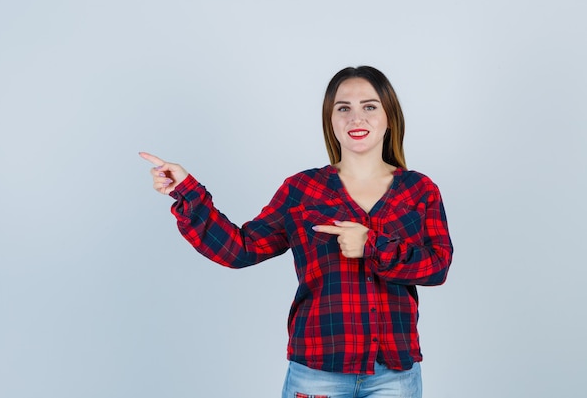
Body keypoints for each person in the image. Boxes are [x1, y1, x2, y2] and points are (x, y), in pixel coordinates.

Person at [140, 66, 453, 398]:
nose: (355, 118)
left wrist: (371, 245)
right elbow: (240, 248)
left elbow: (438, 266)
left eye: (369, 106)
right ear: (330, 121)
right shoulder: (302, 190)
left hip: (394, 375)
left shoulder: (419, 190)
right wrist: (187, 190)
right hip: (317, 373)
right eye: (343, 108)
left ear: (389, 116)